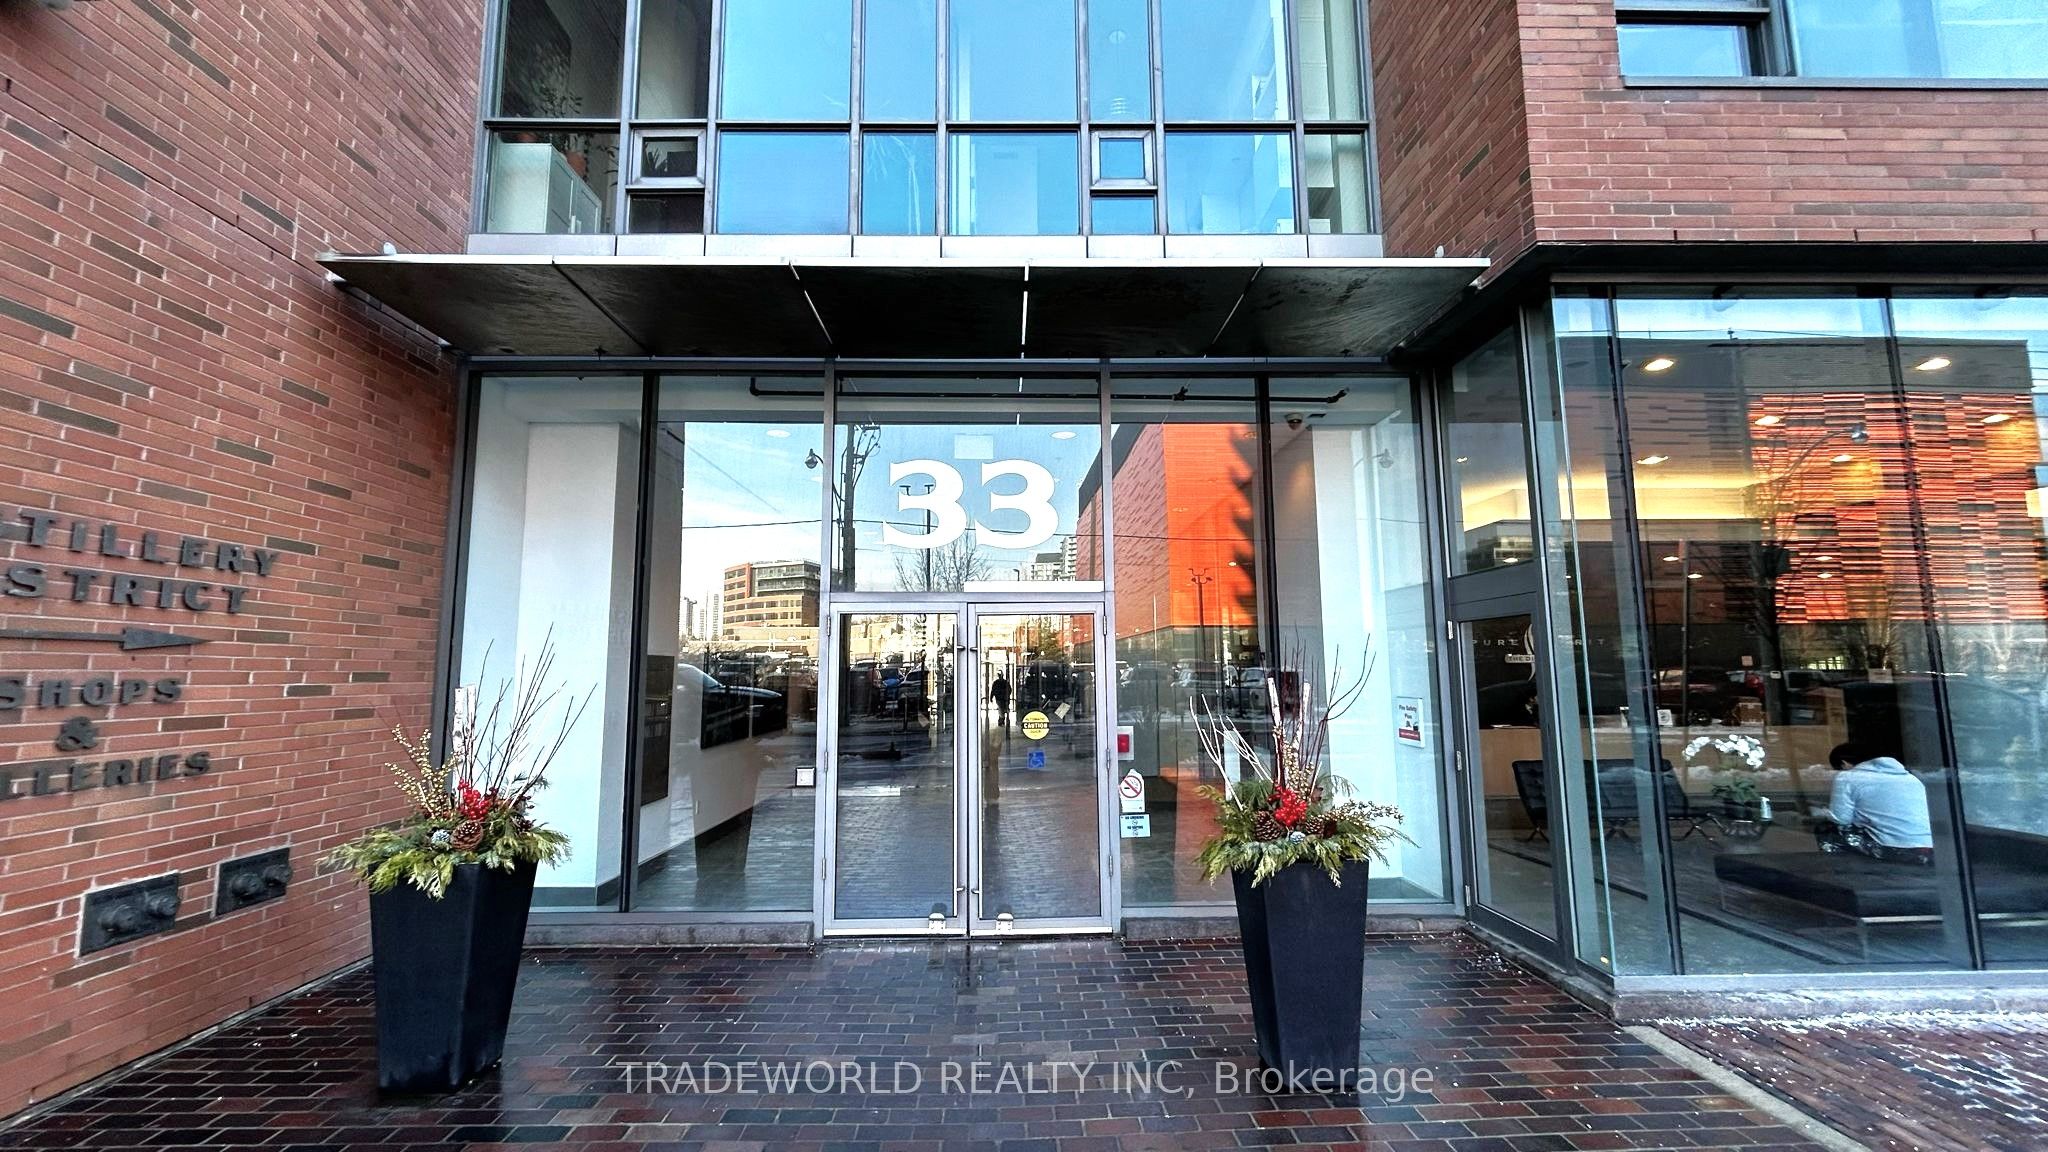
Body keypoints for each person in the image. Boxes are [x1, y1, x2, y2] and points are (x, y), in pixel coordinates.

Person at [1811, 743, 1934, 865]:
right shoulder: (1910, 777)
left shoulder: (1847, 777)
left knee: (1826, 828)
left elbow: (1840, 818)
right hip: (1930, 847)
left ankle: (1846, 870)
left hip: (1895, 848)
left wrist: (1819, 812)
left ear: (1844, 764)